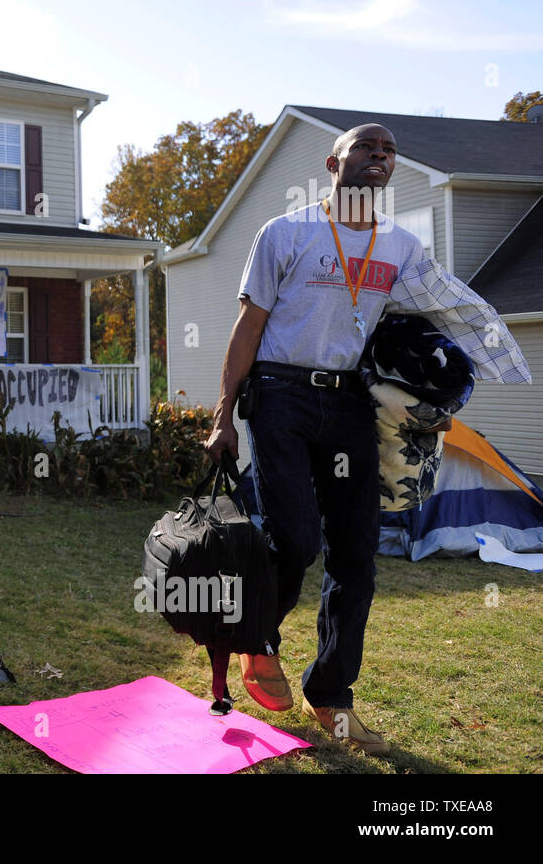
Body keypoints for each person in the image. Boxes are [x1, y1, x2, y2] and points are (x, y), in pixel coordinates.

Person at [203, 124, 424, 756]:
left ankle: (331, 696)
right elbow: (249, 327)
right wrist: (223, 414)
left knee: (356, 556)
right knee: (295, 539)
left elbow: (417, 332)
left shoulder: (402, 246)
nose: (379, 157)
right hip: (280, 395)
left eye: (389, 150)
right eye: (366, 149)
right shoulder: (285, 233)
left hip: (350, 402)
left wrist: (430, 400)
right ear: (334, 162)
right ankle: (255, 641)